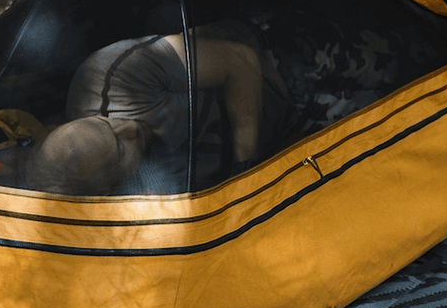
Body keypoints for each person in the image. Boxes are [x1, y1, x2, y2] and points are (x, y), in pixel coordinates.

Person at [22, 21, 296, 196]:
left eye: (105, 123)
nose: (128, 126)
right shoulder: (134, 196)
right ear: (110, 188)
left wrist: (246, 171)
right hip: (283, 140)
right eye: (119, 147)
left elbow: (241, 60)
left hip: (276, 58)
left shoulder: (113, 74)